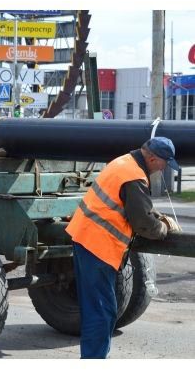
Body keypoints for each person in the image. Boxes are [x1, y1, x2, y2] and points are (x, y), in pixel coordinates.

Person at [65, 136, 181, 359]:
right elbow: (144, 225)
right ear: (153, 158)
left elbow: (131, 207)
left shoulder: (124, 162)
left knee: (101, 310)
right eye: (164, 163)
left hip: (87, 239)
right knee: (100, 313)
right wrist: (164, 229)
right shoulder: (134, 176)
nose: (164, 168)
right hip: (97, 246)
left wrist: (157, 217)